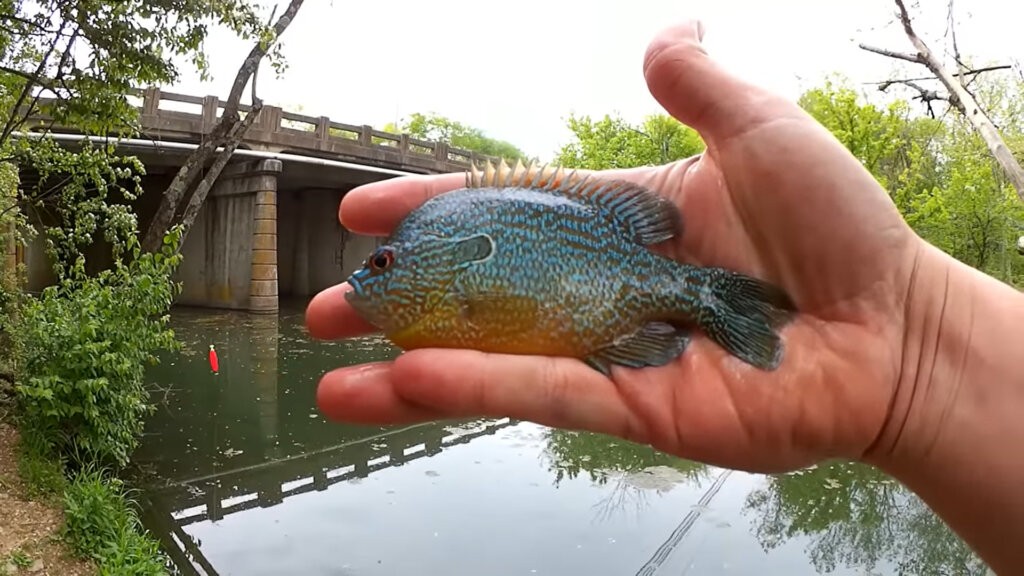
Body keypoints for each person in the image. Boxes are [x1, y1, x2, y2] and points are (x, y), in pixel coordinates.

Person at [304, 20, 1024, 573]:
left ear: (428, 264)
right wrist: (914, 370)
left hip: (652, 289)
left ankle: (710, 297)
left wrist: (909, 341)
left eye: (386, 262)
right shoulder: (434, 281)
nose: (371, 278)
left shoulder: (444, 269)